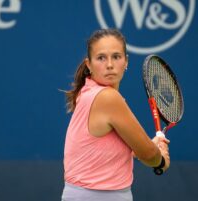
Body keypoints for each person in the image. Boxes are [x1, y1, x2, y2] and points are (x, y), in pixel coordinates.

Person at [61, 28, 170, 201]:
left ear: (126, 61)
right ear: (89, 64)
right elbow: (149, 155)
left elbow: (102, 152)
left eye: (116, 57)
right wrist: (161, 161)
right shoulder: (108, 97)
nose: (110, 64)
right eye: (101, 58)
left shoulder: (88, 92)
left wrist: (148, 146)